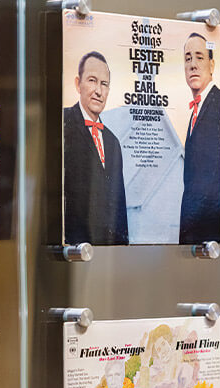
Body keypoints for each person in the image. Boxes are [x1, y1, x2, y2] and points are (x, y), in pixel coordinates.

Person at [63, 51, 129, 245]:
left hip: (107, 254)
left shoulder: (113, 142)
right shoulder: (62, 123)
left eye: (104, 84)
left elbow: (119, 207)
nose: (99, 91)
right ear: (78, 84)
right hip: (72, 251)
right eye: (92, 80)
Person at [179, 32, 220, 244]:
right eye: (188, 58)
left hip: (208, 232)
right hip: (195, 234)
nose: (193, 65)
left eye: (199, 57)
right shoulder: (195, 112)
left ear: (212, 65)